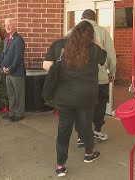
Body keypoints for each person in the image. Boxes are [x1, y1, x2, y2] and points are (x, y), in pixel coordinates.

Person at [42, 21, 107, 177]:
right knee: (85, 126)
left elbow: (46, 66)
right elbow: (104, 56)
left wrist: (65, 71)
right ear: (91, 35)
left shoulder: (59, 45)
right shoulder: (94, 49)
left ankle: (60, 166)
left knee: (63, 130)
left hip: (65, 97)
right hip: (86, 97)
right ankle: (88, 154)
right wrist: (94, 41)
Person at [76, 9, 117, 143]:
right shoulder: (103, 32)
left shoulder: (73, 31)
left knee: (82, 105)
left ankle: (81, 135)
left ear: (82, 18)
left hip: (80, 78)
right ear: (95, 19)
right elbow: (110, 54)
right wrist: (112, 71)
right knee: (99, 105)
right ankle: (97, 130)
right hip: (100, 78)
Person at [1, 18, 26, 122]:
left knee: (19, 94)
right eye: (6, 25)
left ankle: (19, 114)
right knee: (11, 94)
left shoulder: (19, 39)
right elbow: (4, 55)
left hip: (17, 72)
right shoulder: (7, 39)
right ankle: (12, 112)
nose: (7, 27)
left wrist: (10, 68)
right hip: (7, 72)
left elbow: (18, 57)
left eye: (9, 25)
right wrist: (3, 66)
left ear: (14, 26)